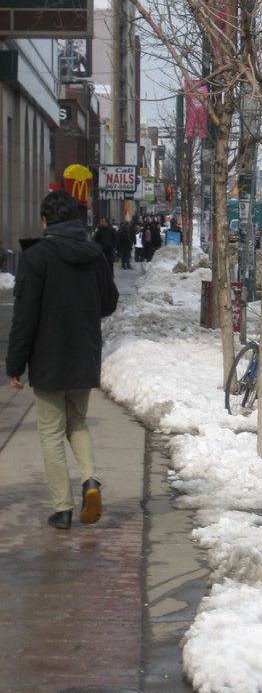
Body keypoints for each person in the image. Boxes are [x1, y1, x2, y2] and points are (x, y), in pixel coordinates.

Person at [5, 189, 119, 530]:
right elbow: (109, 303)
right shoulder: (94, 254)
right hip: (84, 353)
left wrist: (14, 364)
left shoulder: (36, 257)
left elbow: (25, 316)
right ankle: (90, 481)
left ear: (45, 221)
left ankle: (62, 508)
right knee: (78, 423)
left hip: (48, 358)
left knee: (51, 432)